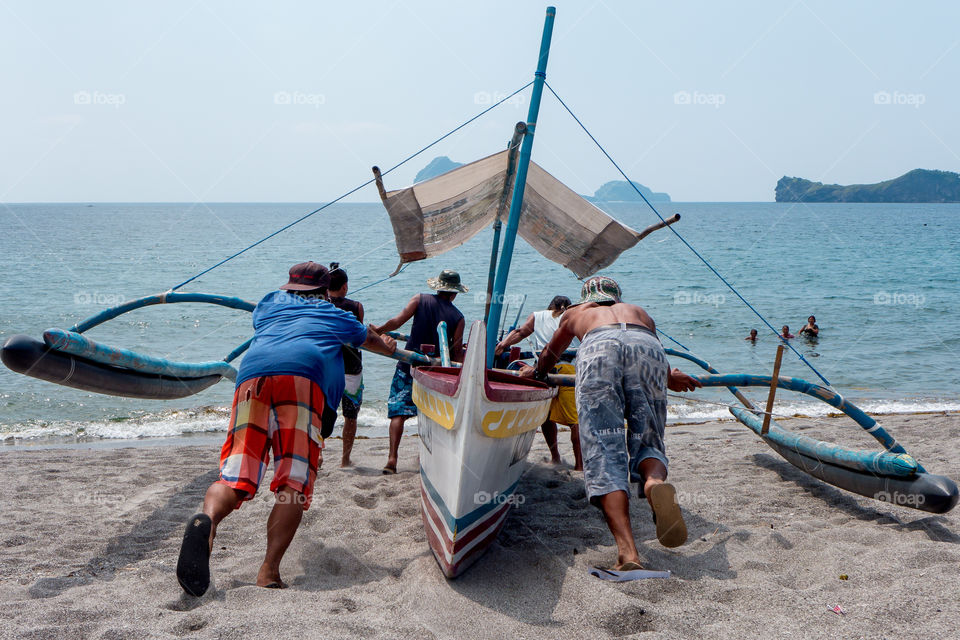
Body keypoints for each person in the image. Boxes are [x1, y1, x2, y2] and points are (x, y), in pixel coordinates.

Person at [176, 261, 396, 597]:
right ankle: (268, 572)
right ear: (325, 290)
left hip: (251, 377)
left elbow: (276, 325)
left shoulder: (267, 304)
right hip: (301, 381)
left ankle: (207, 523)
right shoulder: (334, 313)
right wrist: (388, 344)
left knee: (236, 474)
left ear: (289, 287)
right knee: (293, 481)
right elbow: (369, 340)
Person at [520, 275, 701, 572]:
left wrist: (537, 372)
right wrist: (671, 378)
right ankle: (654, 484)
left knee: (604, 451)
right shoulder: (640, 312)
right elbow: (653, 351)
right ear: (617, 298)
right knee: (649, 438)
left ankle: (628, 554)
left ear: (586, 297)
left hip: (599, 349)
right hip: (648, 350)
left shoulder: (576, 313)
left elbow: (550, 355)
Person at [373, 269, 466, 475]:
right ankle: (424, 456)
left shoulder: (420, 299)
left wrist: (378, 331)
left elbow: (396, 321)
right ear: (454, 293)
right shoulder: (458, 317)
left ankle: (392, 458)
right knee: (432, 415)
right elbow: (457, 352)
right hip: (434, 372)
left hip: (409, 366)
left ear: (438, 287)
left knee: (398, 413)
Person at [496, 295, 583, 470]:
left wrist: (502, 345)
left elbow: (521, 333)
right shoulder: (574, 317)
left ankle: (556, 457)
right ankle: (580, 465)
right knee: (575, 420)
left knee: (547, 417)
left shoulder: (537, 315)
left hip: (543, 370)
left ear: (550, 307)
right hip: (568, 370)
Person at [326, 262, 364, 467]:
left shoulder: (320, 306)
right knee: (350, 415)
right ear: (345, 286)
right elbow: (360, 334)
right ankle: (344, 459)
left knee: (321, 411)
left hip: (327, 367)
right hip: (351, 367)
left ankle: (318, 453)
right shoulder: (355, 307)